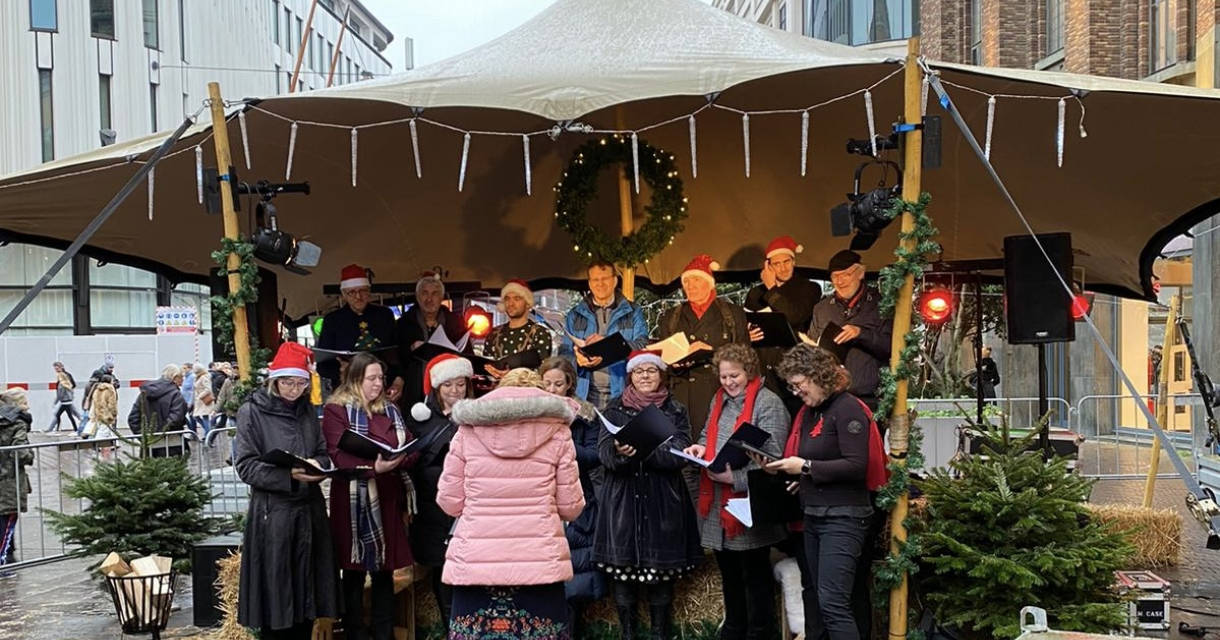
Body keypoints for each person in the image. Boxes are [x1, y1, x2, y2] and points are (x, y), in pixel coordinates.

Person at [436, 368, 585, 638]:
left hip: (477, 561)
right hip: (539, 562)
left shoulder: (467, 432)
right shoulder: (559, 433)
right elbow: (571, 506)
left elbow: (449, 502)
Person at [763, 345, 888, 640]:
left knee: (834, 604)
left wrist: (804, 467)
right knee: (821, 600)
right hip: (815, 516)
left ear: (816, 375)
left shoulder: (848, 408)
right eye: (791, 386)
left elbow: (857, 466)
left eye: (798, 385)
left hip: (844, 517)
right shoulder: (811, 412)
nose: (796, 392)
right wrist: (790, 474)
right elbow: (818, 462)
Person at [593, 350, 703, 640]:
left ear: (661, 374)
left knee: (660, 578)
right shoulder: (614, 408)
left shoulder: (675, 410)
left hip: (662, 501)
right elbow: (603, 454)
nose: (645, 376)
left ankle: (660, 634)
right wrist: (619, 453)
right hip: (623, 502)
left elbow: (680, 455)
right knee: (623, 576)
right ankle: (627, 634)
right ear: (630, 375)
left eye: (651, 371)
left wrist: (644, 447)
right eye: (639, 371)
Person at [682, 344, 790, 640]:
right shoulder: (719, 400)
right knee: (729, 573)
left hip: (747, 502)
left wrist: (736, 477)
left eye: (735, 376)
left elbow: (775, 457)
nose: (729, 382)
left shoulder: (767, 403)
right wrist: (700, 448)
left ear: (750, 372)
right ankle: (734, 627)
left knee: (754, 575)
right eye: (724, 376)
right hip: (718, 503)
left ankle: (759, 631)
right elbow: (707, 433)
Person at [235, 342, 341, 640]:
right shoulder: (251, 412)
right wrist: (288, 475)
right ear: (274, 381)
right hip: (274, 516)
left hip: (309, 512)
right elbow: (246, 465)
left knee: (308, 598)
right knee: (278, 602)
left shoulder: (307, 412)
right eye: (287, 383)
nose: (294, 390)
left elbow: (321, 451)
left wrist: (317, 466)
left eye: (300, 384)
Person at [322, 352, 416, 640]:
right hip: (352, 497)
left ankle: (383, 631)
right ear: (355, 379)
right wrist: (372, 467)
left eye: (381, 378)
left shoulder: (391, 410)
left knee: (384, 570)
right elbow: (336, 454)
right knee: (352, 570)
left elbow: (411, 447)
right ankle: (355, 632)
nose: (378, 384)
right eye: (372, 378)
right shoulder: (336, 410)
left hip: (386, 495)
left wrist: (398, 460)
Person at [405, 353, 473, 633]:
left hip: (467, 505)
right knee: (440, 568)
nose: (454, 391)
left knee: (466, 569)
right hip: (430, 503)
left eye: (459, 384)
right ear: (436, 387)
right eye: (448, 385)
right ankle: (449, 629)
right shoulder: (420, 419)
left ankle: (465, 627)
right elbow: (410, 459)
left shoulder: (474, 416)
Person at [539, 356, 607, 634]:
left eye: (559, 383)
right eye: (547, 384)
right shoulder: (531, 413)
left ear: (569, 384)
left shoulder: (585, 415)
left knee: (574, 577)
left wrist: (562, 442)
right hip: (541, 499)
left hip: (576, 499)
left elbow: (594, 456)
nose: (553, 389)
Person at [659, 255, 750, 444]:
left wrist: (711, 350)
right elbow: (661, 359)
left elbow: (745, 357)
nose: (690, 286)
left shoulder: (732, 314)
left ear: (710, 283)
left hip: (718, 392)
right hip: (681, 395)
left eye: (696, 280)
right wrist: (674, 363)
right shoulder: (671, 316)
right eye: (686, 281)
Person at [744, 236, 823, 415]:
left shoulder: (809, 288)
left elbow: (796, 316)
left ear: (793, 261)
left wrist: (772, 288)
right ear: (768, 266)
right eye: (777, 264)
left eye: (786, 261)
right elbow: (746, 324)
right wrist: (747, 335)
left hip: (793, 369)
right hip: (763, 368)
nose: (783, 267)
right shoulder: (755, 294)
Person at [808, 250, 892, 413]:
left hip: (870, 398)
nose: (840, 281)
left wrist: (861, 334)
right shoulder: (822, 308)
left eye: (846, 274)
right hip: (830, 398)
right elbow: (811, 350)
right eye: (835, 276)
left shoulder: (881, 305)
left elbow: (891, 347)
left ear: (860, 273)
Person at [559, 261, 650, 410]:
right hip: (584, 396)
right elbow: (564, 354)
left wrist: (610, 345)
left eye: (604, 278)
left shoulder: (633, 311)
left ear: (614, 280)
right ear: (589, 283)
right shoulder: (575, 315)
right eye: (595, 279)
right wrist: (577, 360)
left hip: (624, 394)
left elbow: (643, 346)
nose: (600, 283)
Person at [316, 263, 403, 402]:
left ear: (369, 291)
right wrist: (342, 371)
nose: (358, 296)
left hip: (382, 390)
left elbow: (398, 352)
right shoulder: (332, 320)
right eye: (352, 292)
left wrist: (399, 379)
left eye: (362, 291)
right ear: (344, 294)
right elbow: (322, 365)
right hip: (347, 393)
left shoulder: (384, 315)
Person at [396, 272, 471, 408]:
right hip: (414, 385)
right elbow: (396, 357)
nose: (429, 299)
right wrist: (411, 348)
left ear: (441, 297)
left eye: (434, 294)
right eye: (424, 293)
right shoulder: (404, 323)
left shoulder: (454, 321)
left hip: (449, 387)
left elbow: (467, 355)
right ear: (417, 297)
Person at [482, 279, 553, 379]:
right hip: (497, 391)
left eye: (517, 299)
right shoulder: (494, 333)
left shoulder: (540, 333)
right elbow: (485, 366)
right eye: (507, 299)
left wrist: (512, 375)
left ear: (527, 303)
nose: (511, 304)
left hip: (529, 392)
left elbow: (543, 370)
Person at [0, 388, 33, 574]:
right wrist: (30, 454)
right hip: (9, 479)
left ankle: (9, 555)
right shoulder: (16, 422)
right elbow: (20, 453)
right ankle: (3, 562)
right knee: (8, 519)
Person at [127, 364, 189, 457]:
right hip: (172, 445)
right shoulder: (175, 395)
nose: (183, 380)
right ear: (175, 377)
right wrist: (161, 435)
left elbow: (133, 419)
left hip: (149, 447)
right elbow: (176, 418)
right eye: (181, 377)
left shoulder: (144, 394)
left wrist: (145, 437)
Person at [79, 356, 119, 437]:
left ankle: (113, 442)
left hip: (97, 407)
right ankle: (99, 442)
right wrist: (114, 413)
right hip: (102, 408)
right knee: (103, 426)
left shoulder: (96, 387)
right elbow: (111, 404)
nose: (112, 369)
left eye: (112, 367)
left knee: (95, 422)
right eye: (110, 367)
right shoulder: (105, 388)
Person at [47, 362, 82, 433]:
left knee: (58, 414)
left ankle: (50, 429)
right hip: (68, 400)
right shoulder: (65, 377)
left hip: (64, 400)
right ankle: (81, 425)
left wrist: (56, 401)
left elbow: (62, 392)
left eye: (57, 368)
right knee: (73, 414)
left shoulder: (64, 376)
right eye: (55, 369)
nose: (56, 370)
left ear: (61, 367)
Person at [192, 364, 216, 442]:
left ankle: (208, 433)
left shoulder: (204, 377)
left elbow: (208, 389)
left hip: (204, 400)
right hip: (200, 401)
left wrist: (199, 396)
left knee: (202, 417)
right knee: (198, 417)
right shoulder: (198, 377)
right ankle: (208, 432)